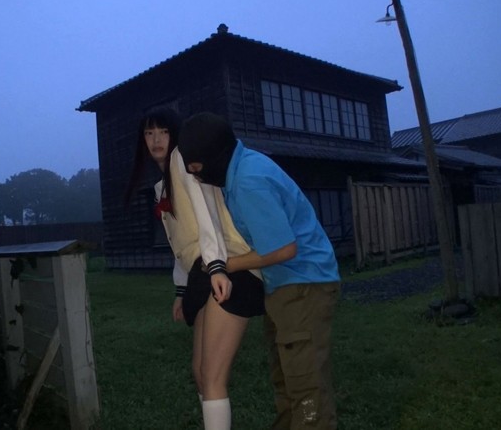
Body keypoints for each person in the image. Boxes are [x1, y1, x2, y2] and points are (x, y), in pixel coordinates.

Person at [178, 111, 341, 430]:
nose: (197, 178)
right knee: (286, 374)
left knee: (304, 381)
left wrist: (227, 264)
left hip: (304, 283)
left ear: (214, 158)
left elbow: (284, 249)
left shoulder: (248, 181)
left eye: (197, 170)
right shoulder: (240, 168)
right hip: (284, 285)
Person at [125, 108, 265, 430]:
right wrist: (181, 290)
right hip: (204, 273)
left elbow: (207, 214)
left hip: (229, 268)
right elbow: (181, 246)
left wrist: (217, 266)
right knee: (201, 373)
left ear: (174, 134)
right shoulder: (161, 187)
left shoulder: (182, 159)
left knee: (212, 376)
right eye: (149, 133)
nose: (156, 140)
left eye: (163, 131)